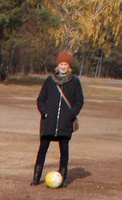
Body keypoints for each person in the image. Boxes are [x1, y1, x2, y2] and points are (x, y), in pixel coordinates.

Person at [32, 50, 83, 186]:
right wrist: (44, 113)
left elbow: (79, 101)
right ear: (57, 65)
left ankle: (63, 178)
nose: (63, 67)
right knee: (42, 149)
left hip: (64, 124)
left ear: (69, 66)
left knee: (64, 150)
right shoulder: (49, 81)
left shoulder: (75, 82)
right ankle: (36, 177)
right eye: (61, 64)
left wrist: (71, 115)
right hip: (48, 122)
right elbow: (40, 99)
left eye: (66, 64)